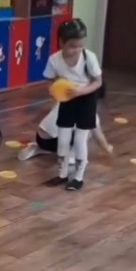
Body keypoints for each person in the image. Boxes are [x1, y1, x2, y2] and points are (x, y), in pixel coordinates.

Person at [42, 19, 103, 191]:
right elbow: (49, 81)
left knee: (79, 140)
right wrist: (52, 91)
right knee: (63, 139)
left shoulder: (89, 58)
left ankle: (78, 178)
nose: (76, 50)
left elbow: (98, 82)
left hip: (86, 99)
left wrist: (81, 91)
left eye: (80, 46)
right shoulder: (54, 60)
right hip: (67, 100)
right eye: (72, 46)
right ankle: (62, 175)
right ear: (61, 42)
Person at [17, 103, 113, 162]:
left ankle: (40, 148)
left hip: (40, 138)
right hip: (55, 142)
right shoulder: (90, 113)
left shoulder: (64, 100)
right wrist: (108, 149)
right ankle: (72, 156)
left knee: (68, 128)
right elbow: (99, 137)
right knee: (88, 128)